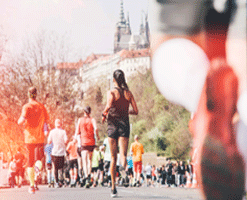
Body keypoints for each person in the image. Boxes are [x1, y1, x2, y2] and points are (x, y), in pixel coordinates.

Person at [102, 69, 138, 197]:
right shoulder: (128, 93)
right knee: (123, 154)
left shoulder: (111, 92)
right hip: (124, 125)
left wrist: (103, 115)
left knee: (113, 158)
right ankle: (124, 169)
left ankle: (113, 188)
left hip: (112, 125)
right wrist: (126, 112)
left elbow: (108, 105)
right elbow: (136, 110)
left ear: (114, 79)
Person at [18, 87, 49, 194]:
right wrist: (45, 131)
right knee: (39, 159)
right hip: (39, 138)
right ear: (36, 94)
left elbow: (21, 121)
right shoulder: (42, 107)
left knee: (29, 162)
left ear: (28, 94)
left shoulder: (26, 107)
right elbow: (46, 122)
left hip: (29, 138)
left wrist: (19, 121)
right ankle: (37, 169)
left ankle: (31, 186)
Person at [76, 106, 100, 188]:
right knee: (89, 160)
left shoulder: (80, 120)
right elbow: (96, 129)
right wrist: (98, 136)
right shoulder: (92, 119)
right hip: (91, 142)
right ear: (90, 112)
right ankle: (89, 175)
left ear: (84, 112)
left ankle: (86, 177)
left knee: (84, 160)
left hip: (83, 142)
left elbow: (77, 132)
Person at [48, 119, 68, 188]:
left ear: (55, 124)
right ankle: (61, 180)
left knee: (55, 168)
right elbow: (66, 141)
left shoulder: (52, 132)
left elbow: (49, 141)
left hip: (54, 152)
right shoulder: (63, 132)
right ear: (61, 124)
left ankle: (56, 182)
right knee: (61, 167)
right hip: (61, 152)